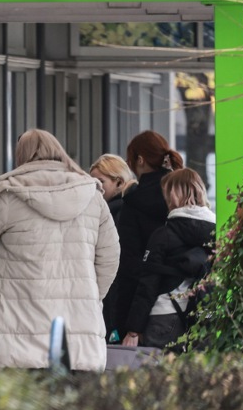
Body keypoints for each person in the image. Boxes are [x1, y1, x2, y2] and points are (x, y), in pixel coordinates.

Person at [0, 129, 120, 371]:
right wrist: (89, 295)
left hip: (22, 334)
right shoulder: (92, 195)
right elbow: (110, 256)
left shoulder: (10, 194)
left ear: (21, 156)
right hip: (79, 336)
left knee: (27, 395)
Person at [122, 168, 215, 350]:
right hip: (202, 317)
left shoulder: (163, 235)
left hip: (164, 317)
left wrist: (133, 329)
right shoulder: (216, 232)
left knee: (157, 369)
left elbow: (148, 285)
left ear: (173, 195)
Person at [103, 131, 184, 340]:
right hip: (185, 303)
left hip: (146, 312)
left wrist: (124, 324)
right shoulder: (183, 195)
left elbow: (129, 267)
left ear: (140, 160)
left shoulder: (133, 203)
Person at [89, 153, 137, 224]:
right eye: (91, 183)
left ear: (119, 183)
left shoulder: (119, 213)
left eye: (100, 181)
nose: (94, 187)